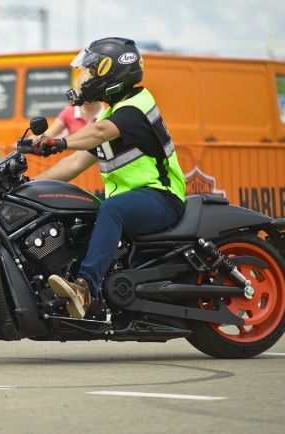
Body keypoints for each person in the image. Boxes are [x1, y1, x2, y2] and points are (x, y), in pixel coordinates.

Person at [33, 37, 186, 319]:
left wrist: (59, 142)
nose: (82, 77)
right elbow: (77, 162)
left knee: (111, 209)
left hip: (161, 196)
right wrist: (30, 185)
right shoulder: (116, 112)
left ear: (109, 73)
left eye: (88, 71)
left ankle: (84, 288)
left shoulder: (136, 107)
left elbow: (99, 132)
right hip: (132, 197)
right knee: (77, 207)